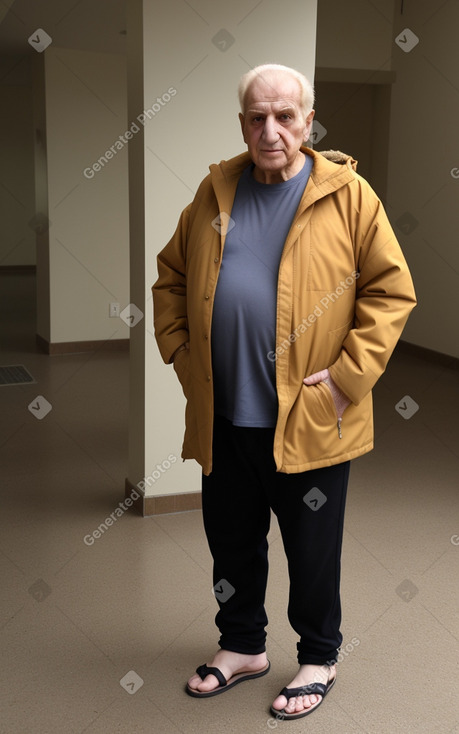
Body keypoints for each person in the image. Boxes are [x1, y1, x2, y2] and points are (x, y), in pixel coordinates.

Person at [152, 63, 416, 721]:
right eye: (255, 117)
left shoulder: (349, 195)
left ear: (307, 118)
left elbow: (390, 291)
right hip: (225, 416)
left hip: (311, 420)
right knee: (231, 541)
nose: (269, 131)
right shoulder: (215, 193)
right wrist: (185, 359)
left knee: (311, 550)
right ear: (242, 121)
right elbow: (169, 281)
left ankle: (318, 656)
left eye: (284, 116)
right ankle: (241, 646)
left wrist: (347, 381)